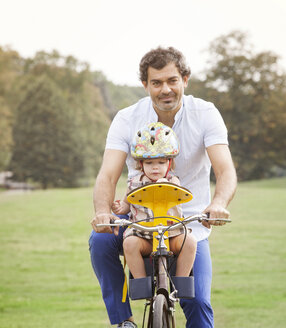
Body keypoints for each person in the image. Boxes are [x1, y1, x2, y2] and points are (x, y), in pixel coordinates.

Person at [89, 46, 237, 328]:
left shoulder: (205, 114)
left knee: (198, 303)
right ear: (145, 84)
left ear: (185, 79)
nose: (165, 89)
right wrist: (102, 211)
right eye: (156, 82)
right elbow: (108, 174)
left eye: (172, 80)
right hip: (138, 220)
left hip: (189, 222)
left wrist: (218, 204)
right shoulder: (127, 118)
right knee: (100, 240)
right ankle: (124, 322)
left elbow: (225, 170)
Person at [112, 122, 197, 280]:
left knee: (190, 242)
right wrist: (119, 207)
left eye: (161, 163)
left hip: (171, 234)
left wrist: (162, 184)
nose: (155, 168)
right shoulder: (133, 183)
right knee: (129, 244)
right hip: (143, 234)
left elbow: (175, 193)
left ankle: (181, 282)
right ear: (140, 164)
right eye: (149, 163)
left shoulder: (173, 181)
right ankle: (141, 283)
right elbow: (126, 205)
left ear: (169, 163)